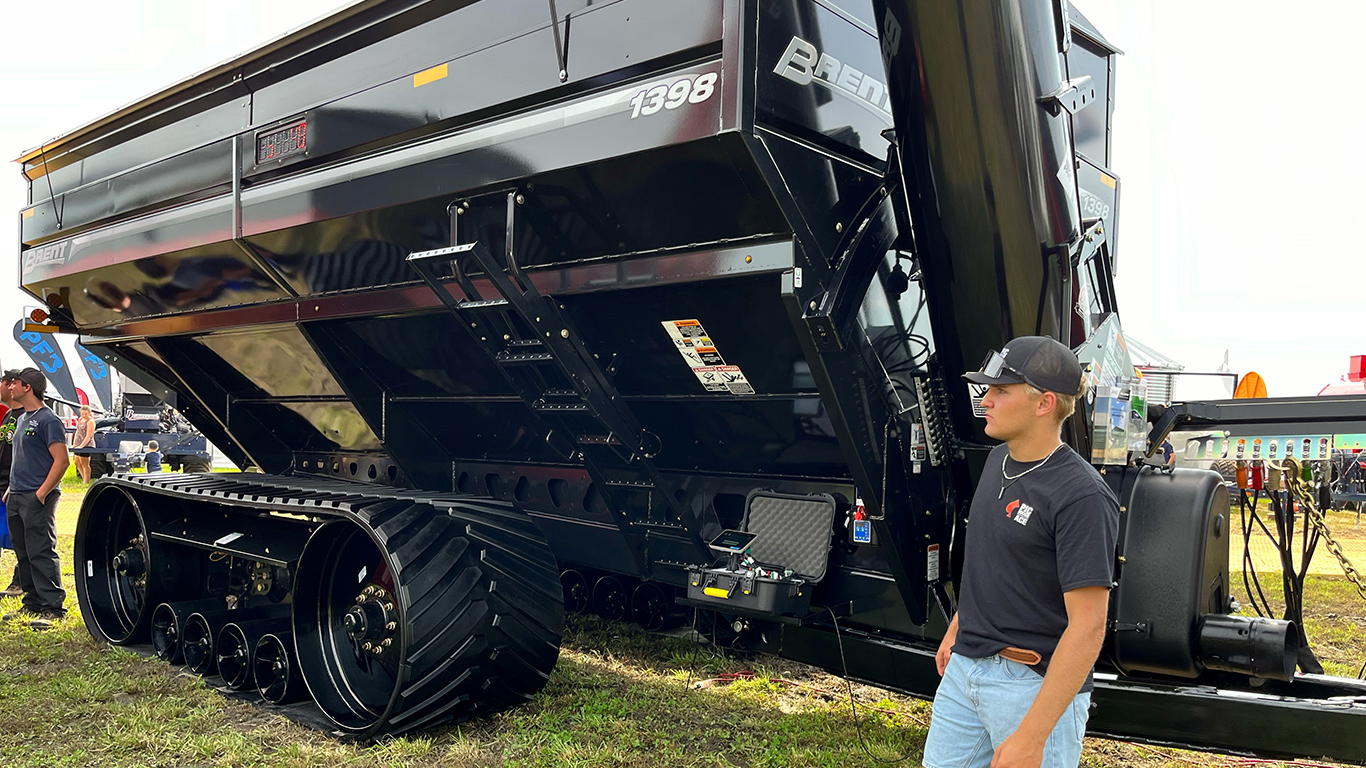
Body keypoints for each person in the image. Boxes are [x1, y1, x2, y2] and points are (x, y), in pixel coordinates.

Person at [924, 337, 1119, 768]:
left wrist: (1032, 736)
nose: (985, 400)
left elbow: (1088, 628)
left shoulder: (1082, 495)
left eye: (1000, 390)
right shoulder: (997, 460)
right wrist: (960, 625)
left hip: (1030, 683)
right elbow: (996, 561)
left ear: (1044, 403)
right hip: (965, 668)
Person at [2, 368, 70, 629]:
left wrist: (41, 493)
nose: (10, 387)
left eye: (14, 383)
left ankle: (53, 608)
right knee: (23, 552)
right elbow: (20, 458)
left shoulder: (48, 420)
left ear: (27, 387)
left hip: (36, 497)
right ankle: (31, 603)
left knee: (41, 551)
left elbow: (62, 461)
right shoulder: (21, 419)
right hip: (17, 495)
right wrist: (11, 488)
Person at [0, 371, 27, 597]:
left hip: (14, 487)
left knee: (20, 538)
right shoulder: (8, 415)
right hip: (2, 484)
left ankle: (21, 582)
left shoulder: (28, 417)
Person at [73, 406, 95, 482]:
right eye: (82, 414)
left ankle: (86, 480)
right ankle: (83, 478)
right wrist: (75, 443)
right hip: (78, 442)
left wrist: (82, 446)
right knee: (77, 462)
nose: (84, 415)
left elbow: (89, 435)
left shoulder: (90, 421)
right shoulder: (80, 419)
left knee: (84, 463)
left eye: (86, 414)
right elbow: (77, 431)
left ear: (89, 413)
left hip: (87, 444)